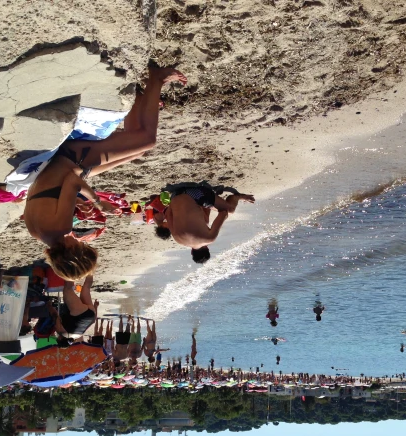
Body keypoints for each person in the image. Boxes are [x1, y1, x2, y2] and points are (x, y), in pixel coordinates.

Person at [23, 65, 187, 279]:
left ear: (74, 251)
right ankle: (140, 96)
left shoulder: (61, 230)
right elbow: (46, 194)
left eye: (82, 246)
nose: (82, 241)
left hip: (72, 159)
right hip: (65, 166)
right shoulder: (38, 234)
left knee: (147, 140)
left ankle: (156, 79)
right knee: (133, 153)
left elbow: (71, 183)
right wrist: (79, 203)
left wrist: (98, 202)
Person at [154, 183, 254, 263]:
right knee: (204, 221)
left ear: (207, 248)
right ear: (192, 252)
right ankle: (208, 200)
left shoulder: (209, 239)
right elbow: (168, 214)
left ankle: (238, 197)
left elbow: (224, 213)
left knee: (230, 209)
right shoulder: (178, 240)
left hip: (193, 194)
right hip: (174, 196)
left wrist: (214, 209)